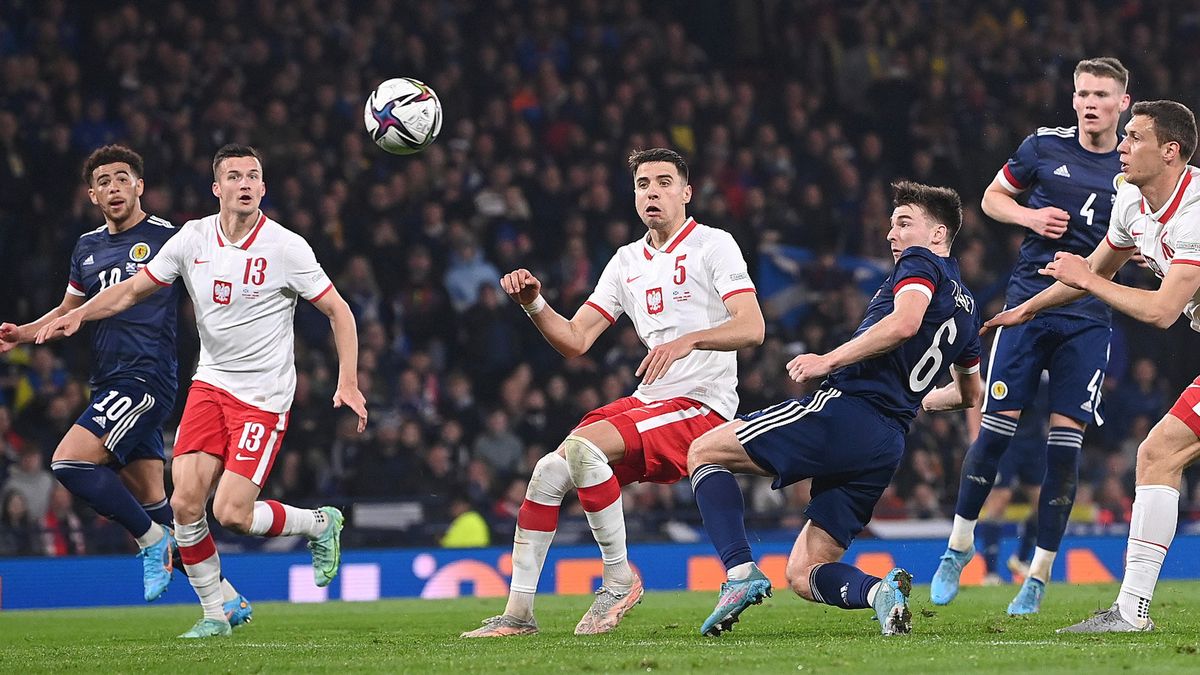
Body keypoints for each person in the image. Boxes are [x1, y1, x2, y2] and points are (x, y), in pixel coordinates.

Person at [37, 144, 368, 638]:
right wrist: (77, 314)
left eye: (253, 175)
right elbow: (129, 290)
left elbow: (339, 311)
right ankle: (217, 613)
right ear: (218, 189)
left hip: (263, 396)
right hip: (210, 384)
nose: (245, 183)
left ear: (263, 187)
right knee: (185, 505)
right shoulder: (192, 238)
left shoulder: (286, 247)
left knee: (230, 512)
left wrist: (348, 381)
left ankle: (320, 524)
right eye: (234, 176)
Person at [461, 147, 764, 638]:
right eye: (644, 184)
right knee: (548, 471)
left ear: (687, 193)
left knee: (581, 448)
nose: (653, 192)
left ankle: (619, 579)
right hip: (650, 401)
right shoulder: (626, 261)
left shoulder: (714, 244)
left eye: (665, 182)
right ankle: (518, 616)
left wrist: (689, 339)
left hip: (701, 406)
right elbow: (576, 340)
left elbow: (753, 327)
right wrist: (534, 304)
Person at [687, 181, 982, 637]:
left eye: (904, 223)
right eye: (891, 224)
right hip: (887, 442)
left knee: (704, 452)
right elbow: (968, 395)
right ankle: (880, 593)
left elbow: (905, 323)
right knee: (805, 572)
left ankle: (740, 574)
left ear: (939, 235)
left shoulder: (922, 263)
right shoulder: (968, 310)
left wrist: (828, 359)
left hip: (846, 412)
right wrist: (915, 398)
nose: (891, 235)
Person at [0, 145, 252, 622]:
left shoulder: (168, 239)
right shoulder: (87, 247)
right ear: (92, 194)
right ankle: (225, 597)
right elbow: (67, 311)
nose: (113, 187)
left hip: (146, 379)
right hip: (108, 382)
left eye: (122, 178)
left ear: (140, 186)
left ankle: (150, 544)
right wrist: (24, 334)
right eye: (103, 182)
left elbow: (208, 289)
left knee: (69, 462)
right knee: (157, 505)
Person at [985, 99, 1199, 633]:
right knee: (1160, 454)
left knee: (1158, 452)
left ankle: (1131, 613)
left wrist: (1087, 280)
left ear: (1170, 151)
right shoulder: (1130, 200)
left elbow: (1160, 310)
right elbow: (1096, 268)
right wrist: (1027, 309)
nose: (1121, 146)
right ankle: (1131, 611)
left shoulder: (1196, 211)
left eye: (1135, 137)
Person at [931, 57, 1131, 615]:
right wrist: (1029, 218)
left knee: (1064, 453)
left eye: (1101, 94)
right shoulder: (1043, 147)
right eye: (1082, 93)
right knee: (993, 434)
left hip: (1089, 317)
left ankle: (1038, 574)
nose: (1090, 103)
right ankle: (957, 547)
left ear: (1123, 103)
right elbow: (993, 199)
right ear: (1073, 99)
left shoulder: (1131, 169)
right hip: (1026, 306)